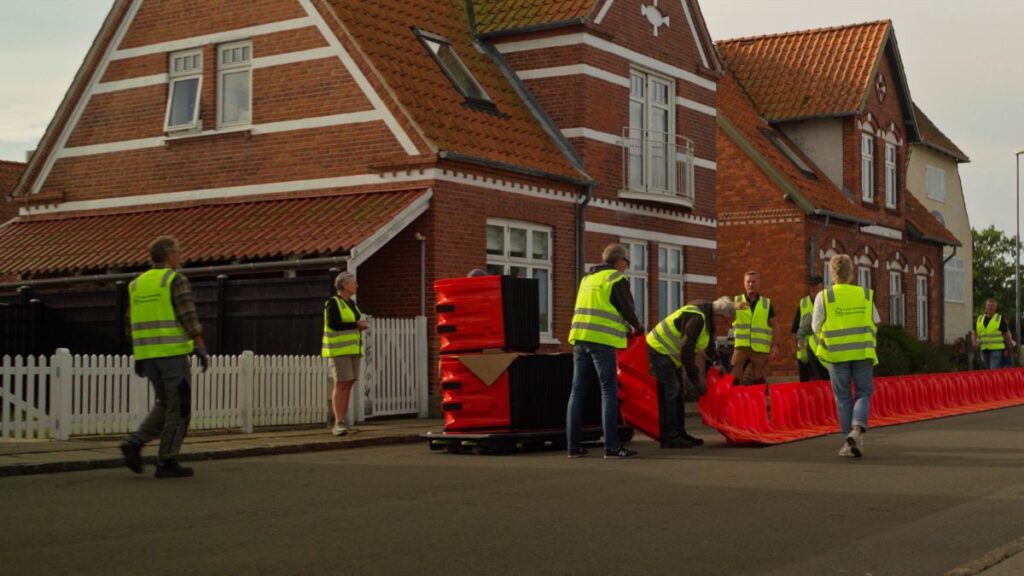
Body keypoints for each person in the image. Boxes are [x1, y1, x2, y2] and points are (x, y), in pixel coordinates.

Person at [119, 236, 209, 479]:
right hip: (172, 354)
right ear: (169, 255)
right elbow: (187, 314)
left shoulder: (137, 284)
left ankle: (134, 443)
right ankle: (167, 460)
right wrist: (200, 346)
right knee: (179, 407)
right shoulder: (174, 279)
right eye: (179, 253)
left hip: (148, 355)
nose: (181, 257)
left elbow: (130, 322)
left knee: (165, 403)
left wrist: (139, 353)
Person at [566, 244, 644, 459]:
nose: (626, 267)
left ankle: (573, 447)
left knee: (577, 391)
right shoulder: (616, 278)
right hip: (602, 341)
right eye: (626, 262)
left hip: (580, 338)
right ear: (619, 261)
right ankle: (611, 447)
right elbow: (627, 309)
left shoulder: (587, 279)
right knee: (608, 391)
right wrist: (638, 326)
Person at [647, 296, 742, 448]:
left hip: (670, 354)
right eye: (724, 321)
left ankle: (680, 433)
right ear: (718, 315)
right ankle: (669, 437)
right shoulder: (696, 318)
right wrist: (696, 379)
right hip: (659, 348)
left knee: (678, 391)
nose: (724, 325)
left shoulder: (708, 317)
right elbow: (687, 351)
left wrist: (717, 363)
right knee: (671, 391)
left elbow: (709, 345)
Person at [813, 254, 880, 459]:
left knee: (842, 398)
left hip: (836, 354)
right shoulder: (865, 294)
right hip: (862, 352)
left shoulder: (824, 296)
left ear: (832, 273)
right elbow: (876, 321)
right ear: (852, 272)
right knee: (863, 393)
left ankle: (849, 443)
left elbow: (816, 327)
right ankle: (857, 430)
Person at [323, 271, 369, 436]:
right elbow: (333, 323)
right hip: (339, 350)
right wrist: (356, 325)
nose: (356, 285)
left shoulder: (351, 303)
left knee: (348, 384)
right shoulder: (333, 303)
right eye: (353, 282)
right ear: (344, 285)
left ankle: (343, 420)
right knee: (341, 384)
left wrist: (359, 325)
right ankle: (338, 422)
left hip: (353, 350)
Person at [731, 271, 779, 384]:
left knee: (759, 379)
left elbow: (775, 325)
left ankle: (759, 400)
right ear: (744, 283)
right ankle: (734, 400)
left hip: (760, 349)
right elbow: (725, 318)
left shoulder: (766, 303)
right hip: (741, 347)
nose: (751, 284)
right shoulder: (737, 301)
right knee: (734, 377)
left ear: (758, 283)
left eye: (753, 282)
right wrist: (734, 307)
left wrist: (775, 346)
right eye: (748, 282)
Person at [792, 276, 829, 381]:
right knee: (805, 384)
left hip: (823, 350)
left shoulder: (828, 302)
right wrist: (795, 350)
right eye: (811, 286)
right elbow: (795, 330)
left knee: (823, 382)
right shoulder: (803, 303)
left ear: (822, 286)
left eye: (816, 285)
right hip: (805, 353)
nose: (813, 288)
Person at [971, 298, 1013, 370]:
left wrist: (1009, 347)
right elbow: (974, 332)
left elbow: (1005, 334)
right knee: (988, 370)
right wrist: (974, 341)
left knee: (993, 370)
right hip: (984, 349)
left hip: (996, 349)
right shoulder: (979, 319)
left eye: (992, 306)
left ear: (995, 308)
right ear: (985, 306)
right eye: (988, 305)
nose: (990, 307)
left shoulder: (999, 319)